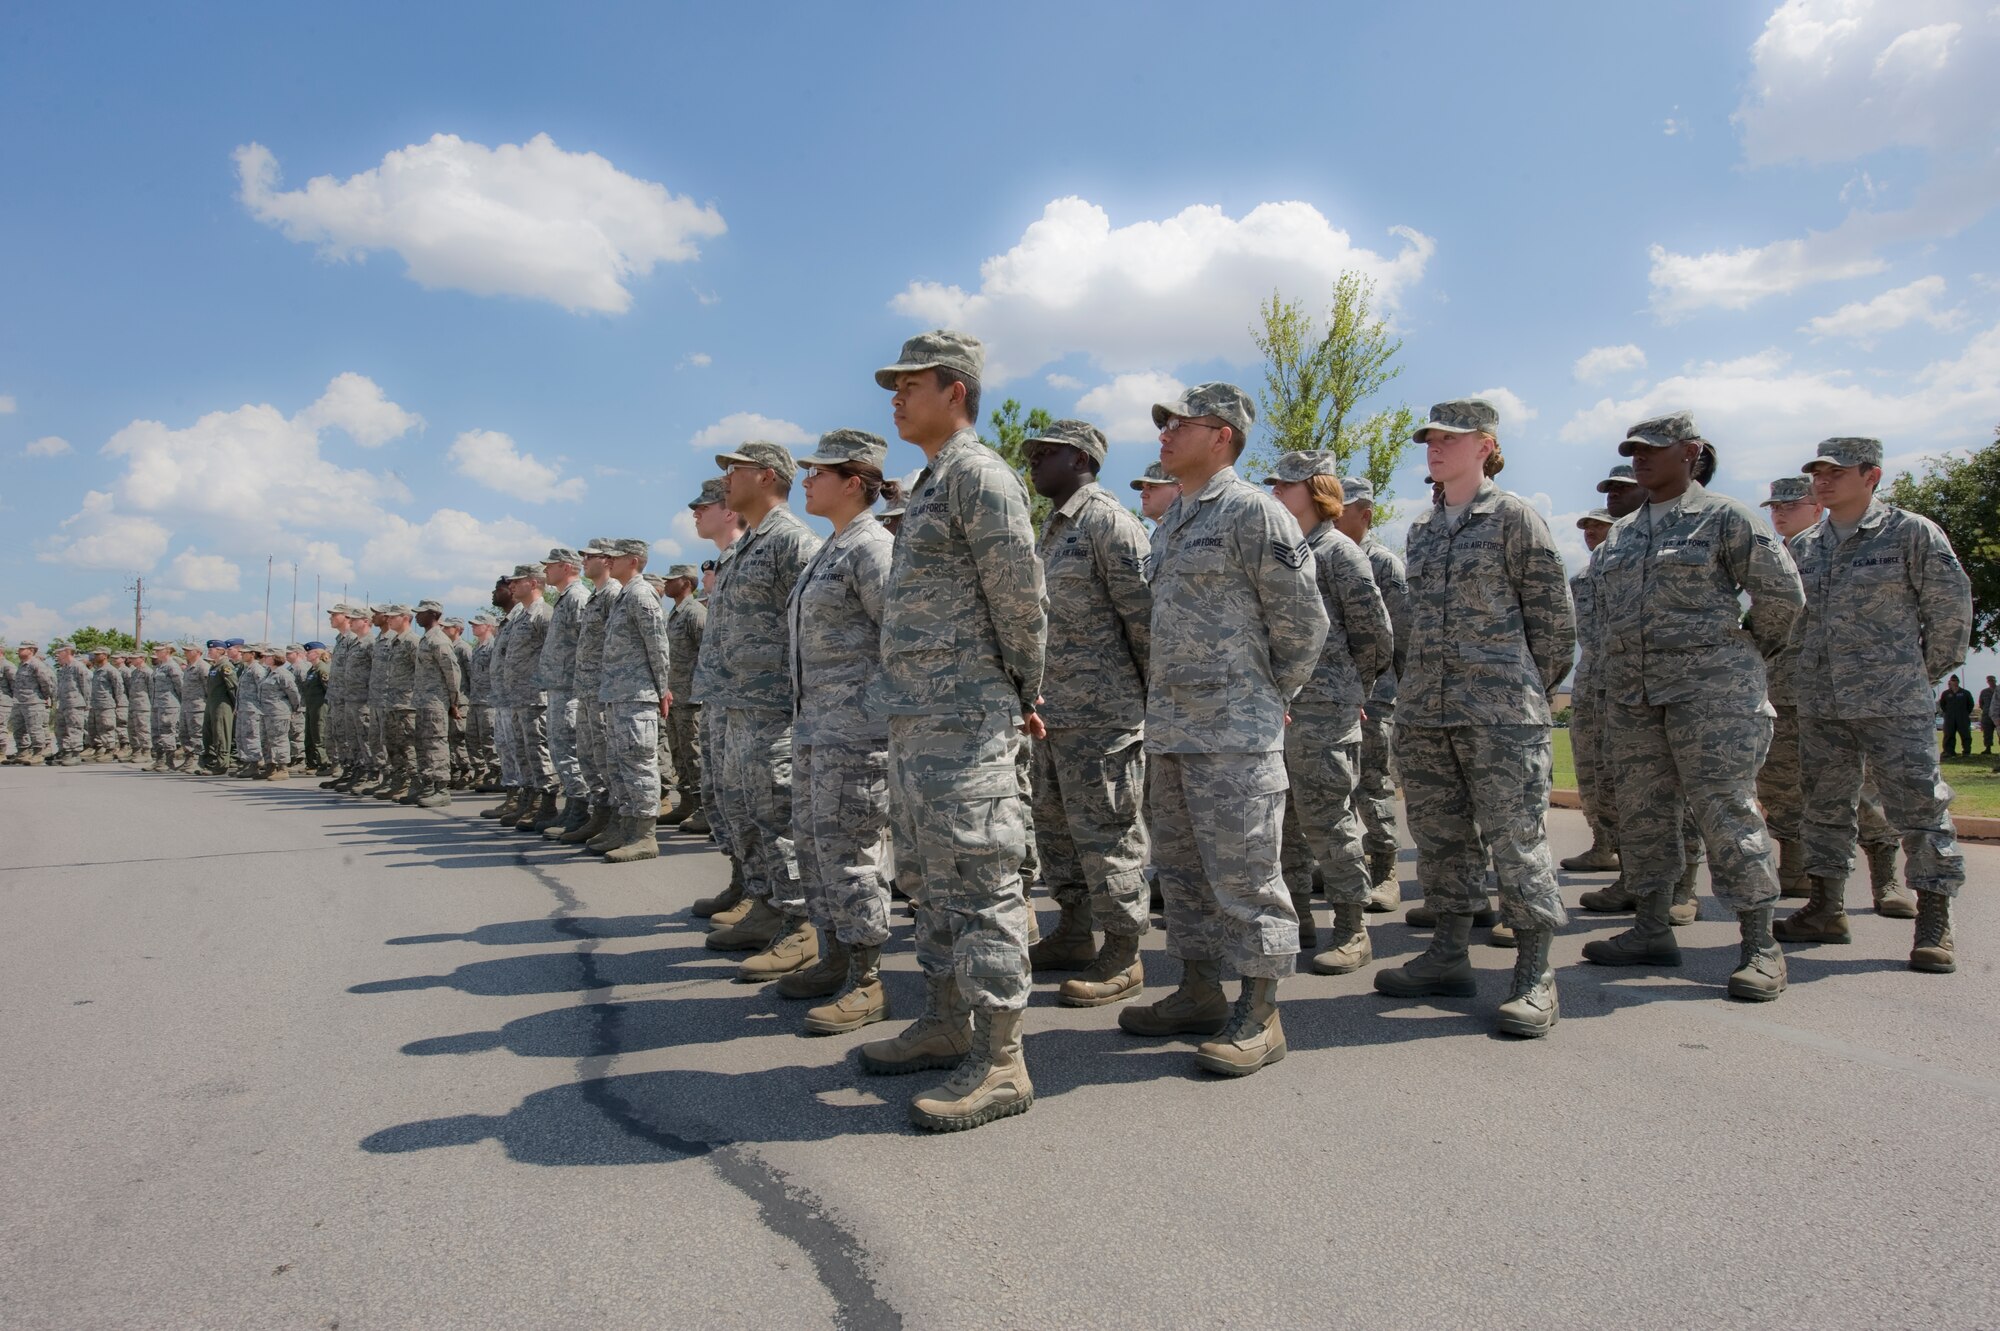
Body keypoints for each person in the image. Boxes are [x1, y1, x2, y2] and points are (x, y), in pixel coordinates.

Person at [858, 330, 1048, 1132]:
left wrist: (1021, 691)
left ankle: (1003, 1058)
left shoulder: (979, 476)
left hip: (967, 718)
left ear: (955, 391)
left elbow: (1020, 598)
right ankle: (945, 1019)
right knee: (931, 883)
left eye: (910, 384)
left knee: (981, 882)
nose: (895, 398)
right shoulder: (934, 482)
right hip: (919, 723)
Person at [1117, 381, 1328, 1075]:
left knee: (1246, 876)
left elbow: (1303, 622)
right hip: (1173, 731)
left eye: (1181, 424)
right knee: (1182, 875)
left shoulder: (1254, 514)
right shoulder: (1172, 521)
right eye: (1164, 424)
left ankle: (1261, 1012)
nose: (1164, 434)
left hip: (1236, 732)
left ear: (1223, 436)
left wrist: (1266, 696)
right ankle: (1199, 990)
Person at [1580, 413, 1804, 1003]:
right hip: (1635, 697)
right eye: (1633, 450)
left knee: (1726, 813)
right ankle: (1652, 927)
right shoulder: (1623, 534)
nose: (1640, 459)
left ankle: (1760, 946)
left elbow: (1781, 595)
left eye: (1654, 449)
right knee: (1644, 816)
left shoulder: (1724, 517)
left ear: (1691, 453)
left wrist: (1745, 652)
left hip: (1712, 697)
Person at [1373, 399, 1574, 1037]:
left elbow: (1554, 622)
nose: (1435, 447)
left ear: (1485, 445)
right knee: (1440, 842)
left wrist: (1520, 693)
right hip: (1427, 713)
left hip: (1501, 715)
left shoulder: (1514, 518)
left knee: (1517, 842)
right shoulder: (1423, 530)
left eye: (1450, 438)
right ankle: (1448, 954)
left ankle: (1535, 973)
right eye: (1430, 438)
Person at [1783, 436, 1972, 973]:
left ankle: (1933, 921)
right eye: (1818, 471)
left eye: (1836, 472)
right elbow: (1791, 624)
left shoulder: (1910, 533)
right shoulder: (1806, 546)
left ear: (1872, 475)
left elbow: (1950, 613)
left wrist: (1913, 675)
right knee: (1822, 806)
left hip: (1893, 700)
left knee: (1919, 807)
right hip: (1820, 700)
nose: (1823, 480)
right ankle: (1824, 908)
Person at [1022, 418, 1155, 1005]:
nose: (1031, 463)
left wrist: (1141, 705)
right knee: (1056, 833)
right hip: (1054, 717)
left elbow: (1148, 623)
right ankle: (1074, 930)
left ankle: (1124, 953)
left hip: (1103, 719)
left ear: (1078, 458)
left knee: (1109, 835)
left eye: (1042, 454)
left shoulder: (1111, 524)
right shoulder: (1052, 529)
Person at [1261, 453, 1393, 975]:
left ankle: (1351, 927)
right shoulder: (1283, 549)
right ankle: (1298, 919)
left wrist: (1350, 689)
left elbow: (1376, 636)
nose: (1276, 494)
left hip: (1326, 711)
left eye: (1286, 486)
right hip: (1284, 710)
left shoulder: (1339, 553)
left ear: (1316, 491)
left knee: (1330, 821)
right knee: (1285, 824)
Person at [782, 430, 898, 1028]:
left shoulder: (872, 550)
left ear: (854, 482)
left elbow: (899, 643)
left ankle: (867, 977)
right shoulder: (830, 549)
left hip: (857, 734)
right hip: (815, 729)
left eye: (818, 472)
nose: (806, 480)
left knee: (851, 854)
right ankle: (833, 957)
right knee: (815, 847)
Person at [702, 440, 822, 978]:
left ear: (768, 476)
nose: (726, 477)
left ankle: (803, 924)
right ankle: (767, 904)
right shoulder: (747, 544)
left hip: (775, 708)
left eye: (736, 469)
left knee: (778, 813)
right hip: (737, 704)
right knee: (744, 809)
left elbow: (819, 626)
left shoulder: (792, 541)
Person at [1331, 474, 1409, 912]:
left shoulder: (1383, 564)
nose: (1337, 515)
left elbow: (1400, 635)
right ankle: (1346, 866)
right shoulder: (1321, 554)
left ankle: (1385, 870)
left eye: (1346, 509)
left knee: (1373, 784)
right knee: (1334, 786)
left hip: (1376, 694)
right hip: (1336, 694)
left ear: (1366, 514)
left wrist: (1386, 690)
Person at [595, 539, 672, 862]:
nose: (610, 562)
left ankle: (644, 835)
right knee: (619, 764)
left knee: (639, 764)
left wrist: (662, 689)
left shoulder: (642, 595)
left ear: (635, 561)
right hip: (618, 694)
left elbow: (658, 645)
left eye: (617, 558)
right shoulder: (624, 595)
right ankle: (626, 827)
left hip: (638, 696)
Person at [558, 541, 619, 844]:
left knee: (607, 758)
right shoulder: (596, 596)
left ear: (607, 560)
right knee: (590, 756)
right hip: (586, 688)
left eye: (589, 556)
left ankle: (614, 820)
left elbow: (619, 645)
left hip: (603, 689)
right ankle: (601, 816)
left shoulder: (612, 595)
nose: (584, 561)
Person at [536, 548, 594, 833]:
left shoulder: (578, 597)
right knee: (560, 750)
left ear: (566, 567)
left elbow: (588, 642)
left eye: (550, 565)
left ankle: (580, 811)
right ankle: (572, 805)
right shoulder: (565, 598)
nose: (545, 571)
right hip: (559, 685)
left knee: (571, 749)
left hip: (572, 687)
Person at [499, 566, 556, 830]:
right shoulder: (522, 615)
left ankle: (546, 803)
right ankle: (529, 796)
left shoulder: (543, 614)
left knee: (538, 750)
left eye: (517, 581)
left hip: (535, 697)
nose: (511, 586)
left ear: (533, 583)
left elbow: (553, 651)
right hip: (517, 696)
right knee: (522, 751)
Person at [659, 563, 707, 829]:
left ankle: (704, 809)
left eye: (671, 579)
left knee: (695, 754)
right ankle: (687, 802)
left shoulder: (695, 613)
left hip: (692, 699)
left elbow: (707, 652)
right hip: (675, 698)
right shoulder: (675, 614)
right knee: (679, 753)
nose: (666, 584)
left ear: (686, 583)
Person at [409, 600, 462, 808]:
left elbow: (452, 672)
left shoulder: (439, 640)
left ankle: (441, 789)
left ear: (433, 614)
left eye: (421, 613)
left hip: (436, 702)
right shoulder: (427, 638)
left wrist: (454, 702)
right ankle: (427, 786)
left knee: (436, 744)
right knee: (423, 745)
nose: (416, 617)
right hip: (423, 701)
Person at [256, 644, 301, 779]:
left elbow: (293, 693)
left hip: (278, 712)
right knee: (266, 740)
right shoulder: (267, 672)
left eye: (268, 656)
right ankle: (270, 767)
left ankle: (283, 769)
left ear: (275, 658)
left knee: (279, 740)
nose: (265, 658)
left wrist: (295, 708)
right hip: (265, 712)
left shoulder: (283, 673)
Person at [10, 642, 56, 764]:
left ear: (31, 650)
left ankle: (38, 753)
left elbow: (46, 683)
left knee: (35, 728)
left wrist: (45, 696)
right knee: (19, 729)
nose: (19, 651)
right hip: (19, 702)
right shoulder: (21, 665)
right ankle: (23, 752)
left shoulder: (37, 665)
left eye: (22, 649)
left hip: (33, 702)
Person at [148, 642, 183, 771]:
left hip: (169, 704)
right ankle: (159, 760)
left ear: (167, 651)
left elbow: (180, 686)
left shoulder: (172, 666)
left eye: (159, 650)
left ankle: (169, 761)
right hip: (157, 703)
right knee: (156, 732)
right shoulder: (159, 667)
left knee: (167, 732)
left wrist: (181, 702)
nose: (156, 653)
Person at [300, 641, 330, 772]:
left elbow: (328, 689)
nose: (306, 654)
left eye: (309, 652)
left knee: (319, 734)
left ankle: (323, 763)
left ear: (317, 653)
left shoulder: (322, 668)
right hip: (311, 706)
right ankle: (312, 763)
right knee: (310, 735)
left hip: (320, 707)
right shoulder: (312, 669)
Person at [177, 642, 207, 772]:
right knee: (185, 734)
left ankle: (199, 761)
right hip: (186, 706)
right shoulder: (189, 667)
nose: (186, 653)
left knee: (197, 735)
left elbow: (208, 688)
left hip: (198, 707)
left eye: (189, 651)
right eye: (185, 651)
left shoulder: (203, 667)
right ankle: (188, 759)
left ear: (198, 652)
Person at [1938, 674, 1974, 757]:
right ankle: (1949, 752)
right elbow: (1942, 705)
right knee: (1948, 734)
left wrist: (1964, 713)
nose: (1954, 682)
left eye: (1956, 680)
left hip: (1962, 717)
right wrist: (1948, 713)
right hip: (1950, 717)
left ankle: (1966, 752)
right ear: (1950, 682)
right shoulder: (1946, 693)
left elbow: (1970, 705)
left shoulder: (1965, 693)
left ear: (1958, 682)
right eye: (1953, 680)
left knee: (1965, 734)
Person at [1979, 675, 1997, 755]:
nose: (1991, 682)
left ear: (1995, 681)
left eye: (1992, 680)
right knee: (1987, 733)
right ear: (1987, 682)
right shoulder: (1984, 692)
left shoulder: (1999, 690)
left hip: (1998, 715)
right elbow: (1981, 704)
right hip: (1987, 716)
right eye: (1989, 680)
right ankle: (1988, 748)